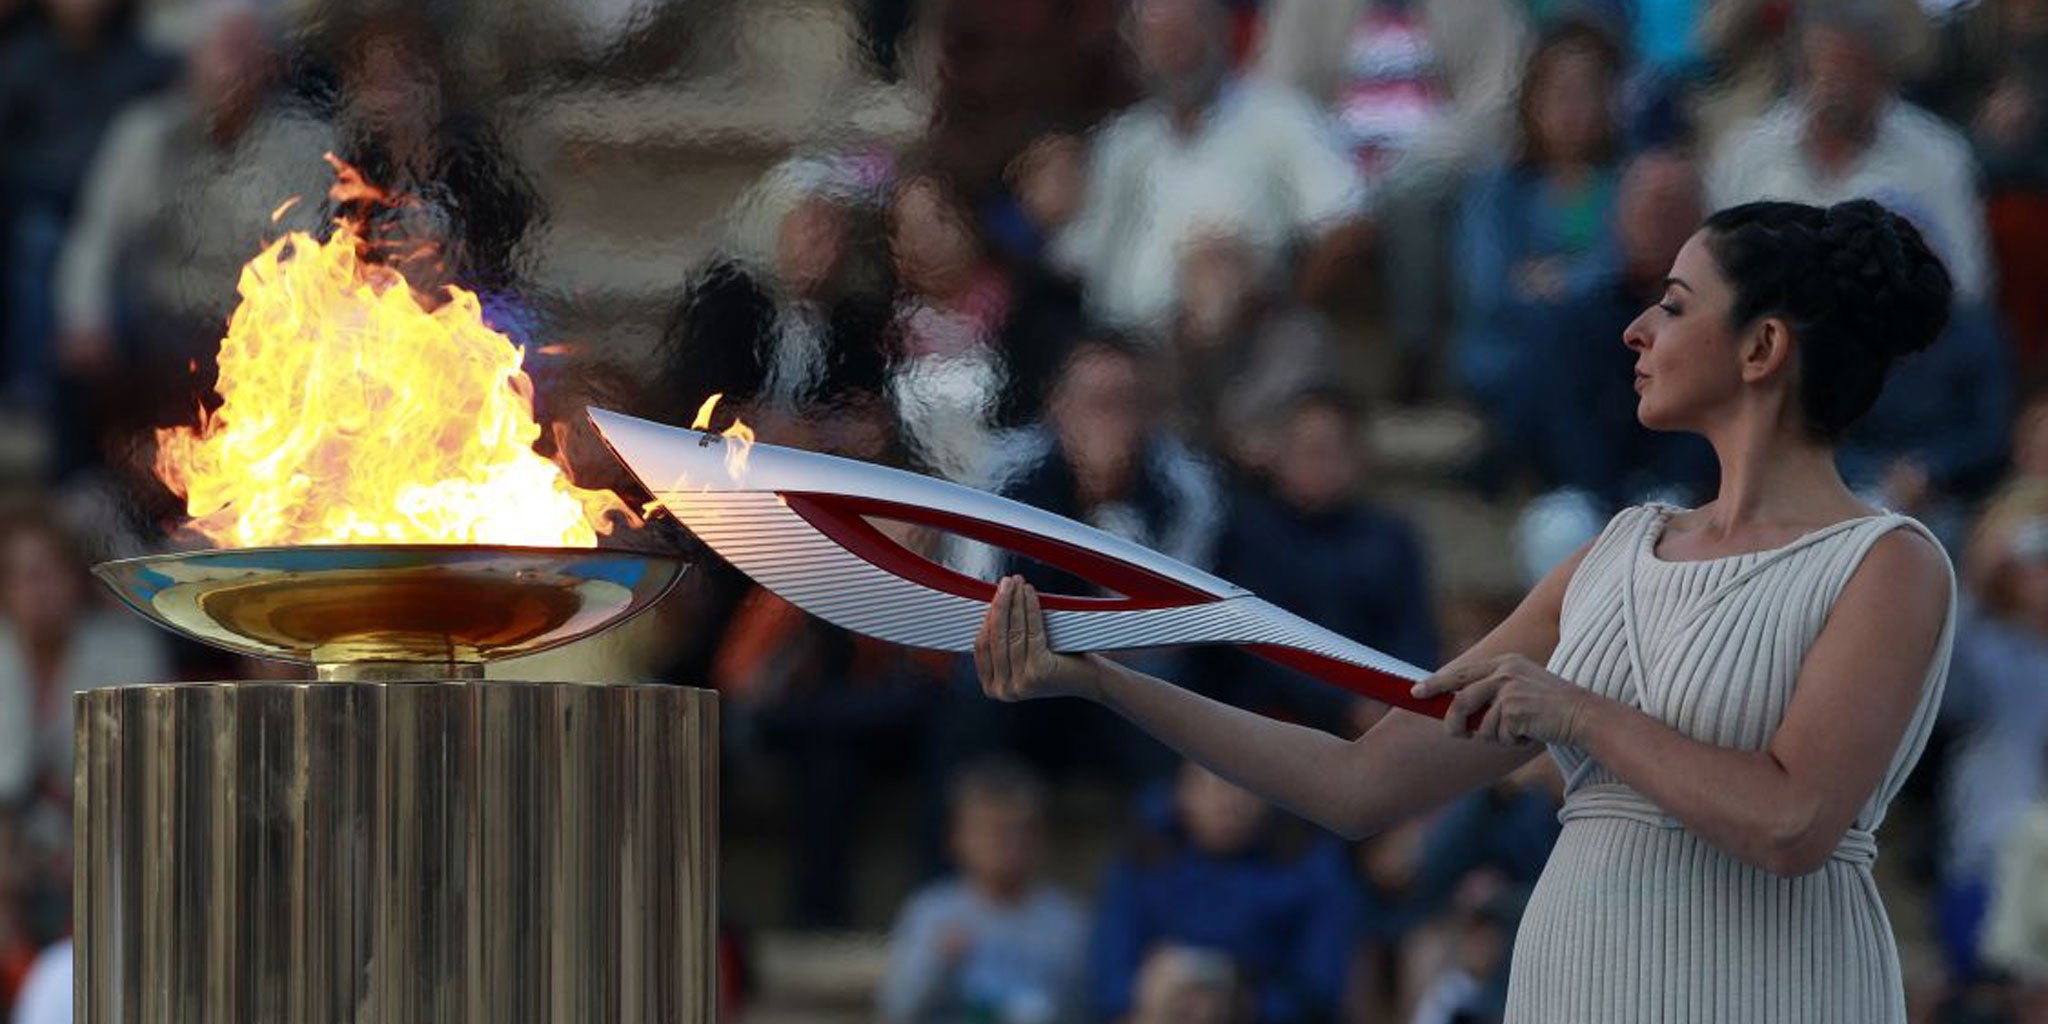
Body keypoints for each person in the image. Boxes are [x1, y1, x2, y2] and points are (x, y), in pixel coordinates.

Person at [972, 197, 1960, 1022]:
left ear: (1762, 347)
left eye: (1671, 304)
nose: (1635, 328)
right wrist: (1102, 678)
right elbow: (1358, 783)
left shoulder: (1882, 563)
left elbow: (1791, 823)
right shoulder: (1611, 553)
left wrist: (1576, 713)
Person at [1051, 0, 1366, 332]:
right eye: (1159, 38)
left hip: (1238, 347)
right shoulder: (1123, 141)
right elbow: (1075, 258)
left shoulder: (1281, 118)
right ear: (1136, 51)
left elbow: (1348, 226)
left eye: (1186, 32)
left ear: (1220, 33)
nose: (1174, 52)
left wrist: (1285, 315)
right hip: (1120, 349)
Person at [1090, 761, 1358, 1024]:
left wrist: (1238, 1001)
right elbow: (1110, 975)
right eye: (1211, 786)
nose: (1228, 802)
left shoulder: (1308, 863)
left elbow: (1320, 988)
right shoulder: (1145, 855)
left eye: (1243, 787)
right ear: (1180, 791)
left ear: (1269, 795)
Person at [878, 759, 1088, 1024]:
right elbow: (897, 1011)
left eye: (1023, 831)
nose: (1010, 845)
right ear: (958, 837)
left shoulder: (1068, 922)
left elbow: (1086, 1010)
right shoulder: (931, 912)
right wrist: (939, 963)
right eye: (995, 832)